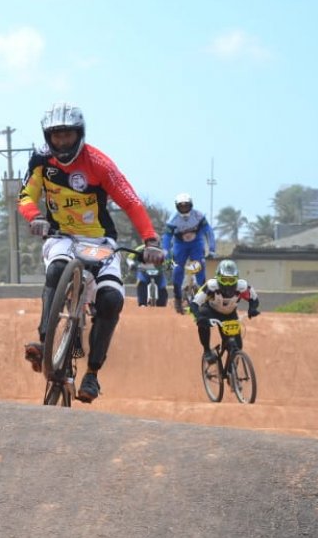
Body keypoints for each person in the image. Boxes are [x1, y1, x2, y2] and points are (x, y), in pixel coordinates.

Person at [18, 102, 166, 403]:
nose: (62, 142)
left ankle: (93, 375)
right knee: (57, 270)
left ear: (80, 134)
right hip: (61, 236)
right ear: (48, 137)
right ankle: (46, 340)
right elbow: (26, 196)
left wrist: (150, 240)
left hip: (101, 243)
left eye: (68, 136)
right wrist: (35, 217)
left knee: (111, 300)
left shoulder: (100, 164)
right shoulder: (40, 161)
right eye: (56, 136)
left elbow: (131, 202)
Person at [190, 259, 260, 363]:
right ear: (218, 279)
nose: (228, 284)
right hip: (211, 311)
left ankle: (232, 371)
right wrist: (199, 317)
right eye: (224, 280)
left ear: (236, 280)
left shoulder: (243, 287)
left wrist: (252, 309)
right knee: (203, 322)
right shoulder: (211, 286)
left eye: (231, 281)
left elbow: (254, 299)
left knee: (238, 346)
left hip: (230, 314)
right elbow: (194, 303)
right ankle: (207, 351)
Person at [163, 192, 216, 313]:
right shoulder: (173, 219)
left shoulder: (198, 216)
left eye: (186, 206)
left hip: (196, 243)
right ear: (177, 207)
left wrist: (212, 249)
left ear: (191, 205)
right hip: (180, 245)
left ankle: (204, 298)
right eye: (181, 206)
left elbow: (208, 232)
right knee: (177, 270)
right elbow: (166, 237)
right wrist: (165, 252)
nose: (184, 208)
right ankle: (177, 298)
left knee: (199, 267)